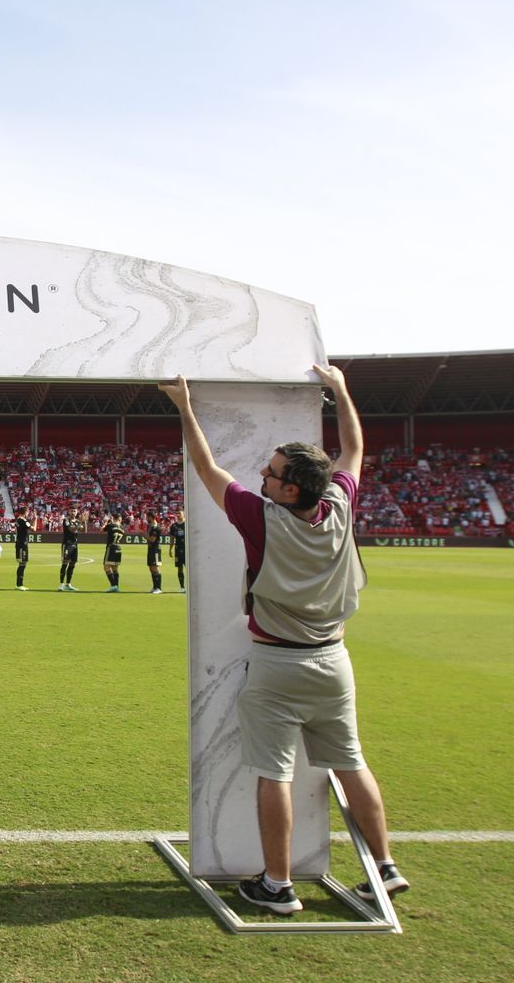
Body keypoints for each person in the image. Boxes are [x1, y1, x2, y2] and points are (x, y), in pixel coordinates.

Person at [159, 364, 407, 916]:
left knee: (275, 774)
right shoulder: (340, 506)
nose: (263, 477)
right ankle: (386, 866)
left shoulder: (262, 519)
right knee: (351, 760)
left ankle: (278, 883)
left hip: (278, 665)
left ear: (291, 488)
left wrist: (183, 406)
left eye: (272, 474)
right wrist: (341, 391)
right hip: (334, 661)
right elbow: (353, 448)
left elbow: (207, 467)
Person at [58, 507, 81, 591]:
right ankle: (61, 584)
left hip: (75, 544)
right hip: (67, 544)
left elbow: (84, 530)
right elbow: (71, 529)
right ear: (69, 511)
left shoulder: (78, 521)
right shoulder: (66, 520)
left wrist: (85, 521)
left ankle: (68, 584)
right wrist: (80, 524)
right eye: (71, 511)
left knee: (72, 564)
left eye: (74, 511)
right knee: (65, 563)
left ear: (77, 512)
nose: (73, 512)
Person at [12, 505, 34, 590]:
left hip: (20, 543)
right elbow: (33, 529)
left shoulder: (18, 520)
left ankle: (19, 584)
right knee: (22, 564)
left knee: (22, 564)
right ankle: (19, 584)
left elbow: (27, 526)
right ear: (25, 512)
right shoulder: (22, 520)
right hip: (22, 544)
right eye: (28, 512)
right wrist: (35, 519)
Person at [101, 512, 124, 591]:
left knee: (106, 567)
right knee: (115, 568)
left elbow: (102, 530)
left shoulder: (111, 525)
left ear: (113, 518)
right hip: (118, 548)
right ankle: (116, 587)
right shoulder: (122, 528)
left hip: (111, 547)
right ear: (120, 519)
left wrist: (105, 523)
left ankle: (113, 585)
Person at [169, 509, 188, 590]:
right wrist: (170, 549)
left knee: (189, 568)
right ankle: (182, 587)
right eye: (177, 513)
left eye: (179, 513)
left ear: (183, 514)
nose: (178, 515)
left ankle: (191, 586)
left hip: (187, 549)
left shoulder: (187, 524)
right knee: (179, 568)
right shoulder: (173, 526)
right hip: (178, 549)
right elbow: (172, 538)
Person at [145, 514, 164, 593]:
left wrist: (144, 535)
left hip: (155, 550)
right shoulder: (151, 527)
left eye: (147, 517)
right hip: (151, 549)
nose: (146, 518)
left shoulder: (156, 528)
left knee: (155, 568)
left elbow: (152, 539)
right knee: (151, 568)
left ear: (151, 517)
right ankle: (155, 586)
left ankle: (159, 588)